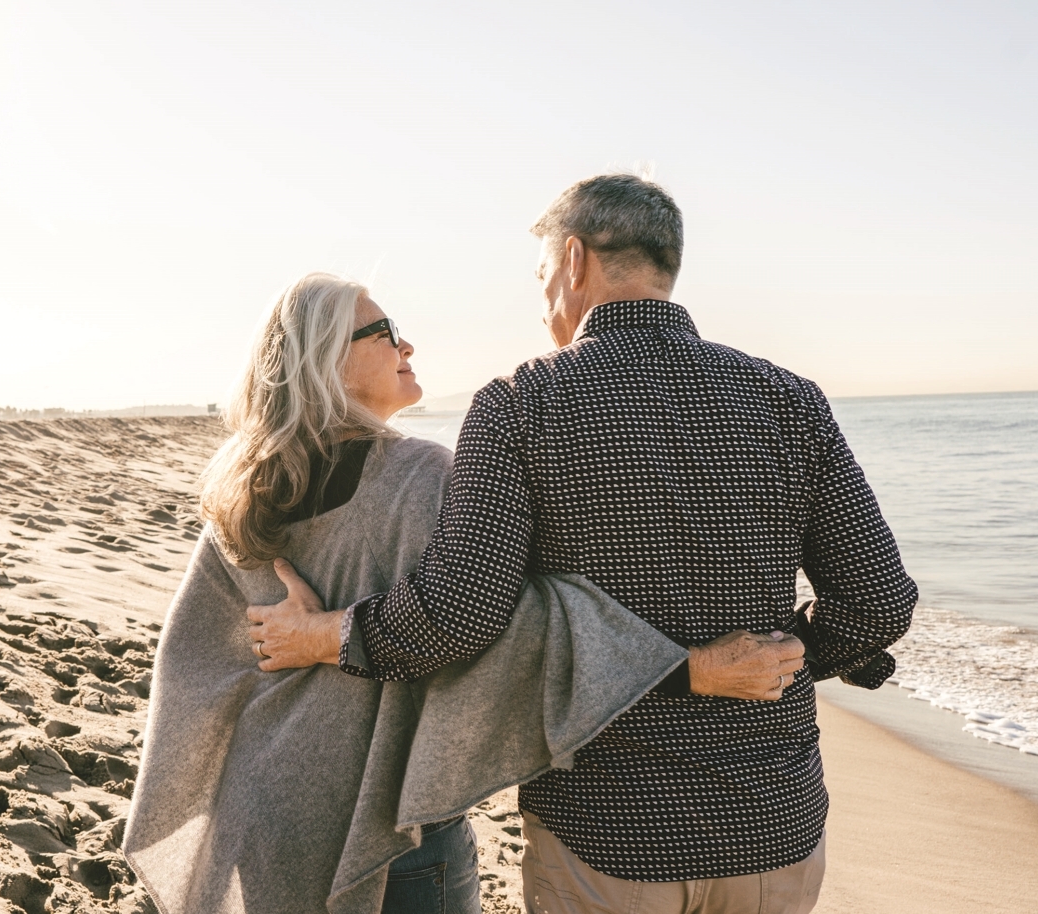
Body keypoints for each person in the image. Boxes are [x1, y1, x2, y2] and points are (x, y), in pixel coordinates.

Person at [249, 175, 919, 914]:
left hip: (608, 830)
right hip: (773, 826)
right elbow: (879, 602)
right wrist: (792, 655)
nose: (542, 304)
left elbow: (458, 616)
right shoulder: (790, 398)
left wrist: (325, 636)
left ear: (573, 262)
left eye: (541, 277)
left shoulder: (520, 404)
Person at [124, 272, 689, 914]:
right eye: (387, 333)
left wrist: (308, 647)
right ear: (330, 360)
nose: (408, 347)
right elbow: (501, 627)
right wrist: (676, 660)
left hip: (262, 814)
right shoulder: (422, 474)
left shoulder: (243, 489)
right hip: (389, 832)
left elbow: (188, 663)